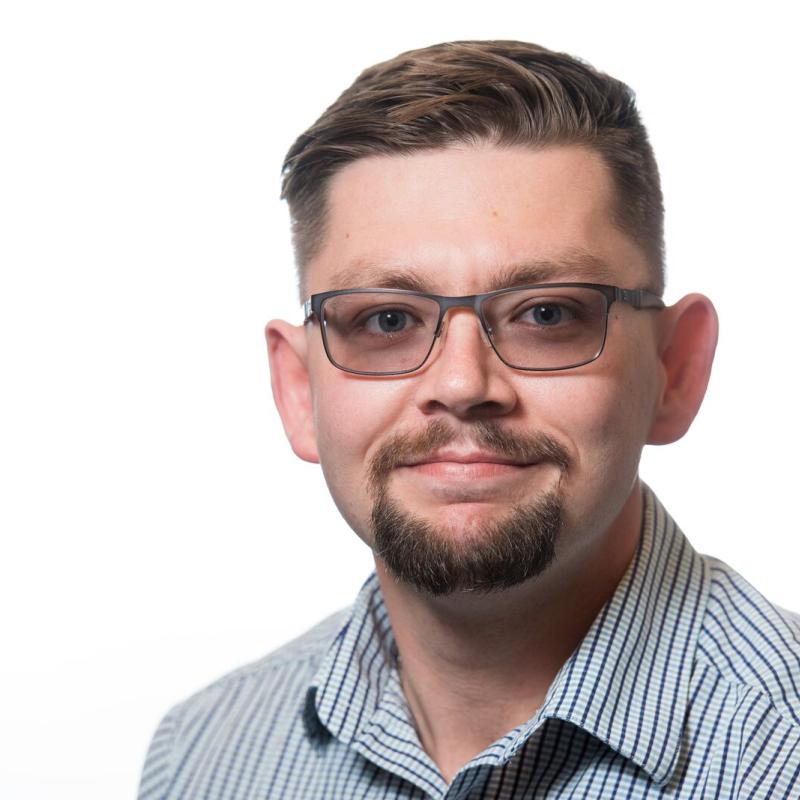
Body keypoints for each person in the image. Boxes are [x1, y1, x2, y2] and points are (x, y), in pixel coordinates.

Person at [137, 40, 800, 799]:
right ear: (298, 391)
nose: (460, 382)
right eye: (386, 320)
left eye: (547, 314)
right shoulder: (203, 757)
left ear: (675, 369)